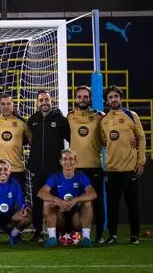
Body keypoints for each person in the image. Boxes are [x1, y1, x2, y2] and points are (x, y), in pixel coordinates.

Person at [100, 85, 145, 245]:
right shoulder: (104, 120)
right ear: (107, 100)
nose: (113, 99)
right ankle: (112, 236)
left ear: (121, 98)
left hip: (130, 168)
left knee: (133, 205)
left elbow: (141, 138)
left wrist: (141, 161)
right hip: (112, 170)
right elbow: (104, 141)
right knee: (112, 206)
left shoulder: (131, 115)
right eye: (110, 97)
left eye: (116, 96)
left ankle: (135, 235)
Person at [27, 89, 70, 242]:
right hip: (37, 169)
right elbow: (25, 140)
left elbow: (72, 138)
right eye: (41, 100)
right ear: (37, 103)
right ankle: (38, 231)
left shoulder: (60, 119)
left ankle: (59, 231)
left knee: (56, 200)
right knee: (37, 201)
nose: (44, 103)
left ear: (51, 101)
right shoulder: (32, 120)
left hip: (55, 170)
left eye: (46, 100)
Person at [67, 85, 105, 243]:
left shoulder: (100, 116)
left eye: (85, 97)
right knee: (74, 203)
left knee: (97, 203)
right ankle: (73, 235)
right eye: (79, 96)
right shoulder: (69, 117)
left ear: (90, 98)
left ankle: (100, 235)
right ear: (75, 99)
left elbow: (107, 137)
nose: (82, 99)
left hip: (94, 166)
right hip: (76, 170)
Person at [37, 149, 96, 248]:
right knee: (47, 202)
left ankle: (86, 238)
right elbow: (41, 193)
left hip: (76, 218)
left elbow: (93, 194)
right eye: (65, 159)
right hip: (60, 217)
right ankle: (52, 238)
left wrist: (76, 200)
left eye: (71, 159)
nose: (68, 162)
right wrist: (58, 201)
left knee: (88, 202)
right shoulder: (55, 177)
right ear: (60, 162)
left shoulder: (81, 176)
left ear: (75, 162)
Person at [0, 93, 32, 192]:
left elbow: (32, 141)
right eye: (3, 104)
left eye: (8, 104)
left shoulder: (21, 122)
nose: (6, 107)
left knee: (18, 204)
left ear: (13, 106)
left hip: (16, 169)